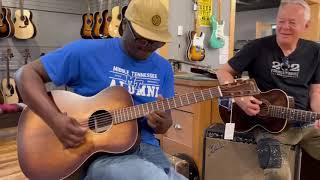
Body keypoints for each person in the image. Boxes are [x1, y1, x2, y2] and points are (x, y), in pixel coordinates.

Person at [15, 0, 187, 180]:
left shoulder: (164, 68)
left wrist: (163, 123)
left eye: (154, 42)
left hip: (147, 148)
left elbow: (164, 124)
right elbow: (25, 74)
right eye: (141, 38)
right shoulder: (86, 51)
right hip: (97, 152)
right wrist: (55, 120)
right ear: (124, 25)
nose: (147, 46)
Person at [216, 0, 320, 179]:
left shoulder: (315, 52)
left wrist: (319, 114)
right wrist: (241, 99)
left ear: (306, 25)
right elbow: (223, 72)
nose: (284, 27)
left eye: (292, 22)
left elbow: (316, 92)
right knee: (277, 175)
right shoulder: (258, 46)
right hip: (269, 127)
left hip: (306, 124)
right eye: (281, 21)